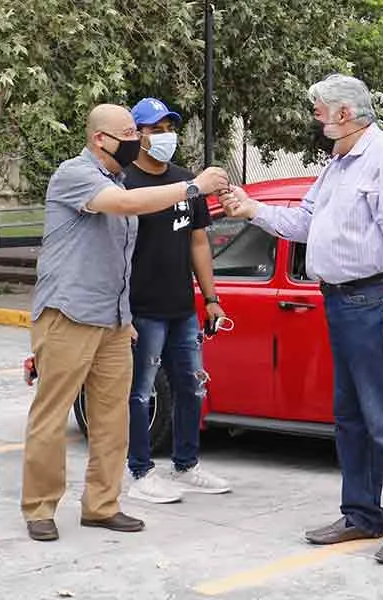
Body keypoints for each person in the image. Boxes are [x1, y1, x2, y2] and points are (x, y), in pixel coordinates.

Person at [218, 74, 383, 564]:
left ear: (345, 113)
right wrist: (251, 208)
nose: (315, 115)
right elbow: (304, 222)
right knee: (352, 418)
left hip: (378, 299)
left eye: (320, 107)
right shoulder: (338, 163)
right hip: (343, 302)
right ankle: (362, 514)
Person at [22, 103, 229, 542]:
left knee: (112, 416)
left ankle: (101, 504)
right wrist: (193, 186)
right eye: (130, 131)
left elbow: (121, 259)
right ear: (101, 138)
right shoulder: (76, 175)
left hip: (115, 320)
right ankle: (40, 507)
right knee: (52, 414)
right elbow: (124, 204)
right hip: (69, 314)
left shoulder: (117, 177)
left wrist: (126, 315)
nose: (138, 139)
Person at [122, 97, 231, 503]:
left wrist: (212, 298)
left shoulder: (188, 182)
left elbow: (198, 242)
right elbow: (113, 250)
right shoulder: (125, 183)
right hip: (142, 309)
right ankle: (141, 472)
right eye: (155, 129)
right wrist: (122, 311)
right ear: (137, 135)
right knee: (141, 393)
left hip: (182, 308)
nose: (165, 136)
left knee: (192, 386)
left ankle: (186, 464)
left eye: (169, 128)